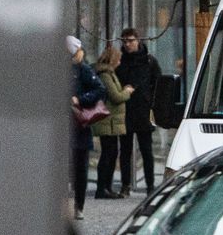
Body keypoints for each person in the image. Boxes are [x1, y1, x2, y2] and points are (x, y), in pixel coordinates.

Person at [116, 27, 162, 193]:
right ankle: (125, 185)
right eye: (124, 41)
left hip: (143, 110)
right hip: (125, 109)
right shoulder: (120, 61)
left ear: (138, 40)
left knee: (146, 150)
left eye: (130, 41)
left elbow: (158, 83)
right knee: (125, 150)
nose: (127, 44)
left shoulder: (149, 61)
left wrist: (152, 103)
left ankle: (150, 185)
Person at [68, 36, 104, 220]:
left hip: (79, 126)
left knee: (80, 170)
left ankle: (78, 206)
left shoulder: (84, 70)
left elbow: (100, 89)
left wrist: (80, 99)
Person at [93, 45, 133, 199]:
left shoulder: (110, 73)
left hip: (111, 121)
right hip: (107, 121)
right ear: (113, 59)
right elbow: (115, 96)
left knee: (112, 152)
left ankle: (107, 187)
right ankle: (102, 188)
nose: (120, 62)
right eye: (119, 59)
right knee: (108, 153)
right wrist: (127, 92)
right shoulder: (105, 74)